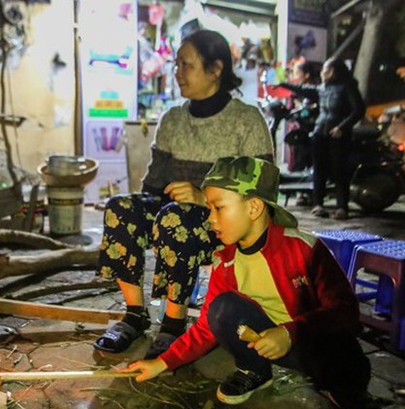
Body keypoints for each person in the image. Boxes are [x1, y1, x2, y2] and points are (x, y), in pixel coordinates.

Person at [122, 156, 393, 409]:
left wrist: (290, 332)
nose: (210, 218)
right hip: (266, 347)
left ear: (254, 207)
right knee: (221, 309)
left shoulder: (304, 249)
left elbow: (346, 310)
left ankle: (348, 393)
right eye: (209, 208)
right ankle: (254, 370)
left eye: (218, 207)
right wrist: (163, 362)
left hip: (313, 343)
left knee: (345, 359)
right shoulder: (225, 261)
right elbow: (204, 328)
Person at [94, 29, 273, 359]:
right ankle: (135, 314)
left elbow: (263, 193)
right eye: (176, 65)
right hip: (173, 217)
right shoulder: (173, 119)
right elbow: (153, 186)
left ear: (216, 69)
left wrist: (206, 199)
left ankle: (173, 326)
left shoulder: (246, 120)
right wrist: (140, 211)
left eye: (186, 65)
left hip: (225, 224)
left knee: (176, 217)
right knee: (120, 207)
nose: (177, 73)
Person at [279, 57, 366, 220]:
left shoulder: (348, 87)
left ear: (333, 71)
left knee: (339, 170)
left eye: (325, 69)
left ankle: (342, 207)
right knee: (319, 169)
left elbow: (359, 110)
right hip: (320, 133)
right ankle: (318, 204)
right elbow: (303, 89)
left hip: (338, 135)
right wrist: (282, 84)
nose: (322, 72)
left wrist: (342, 127)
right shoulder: (322, 88)